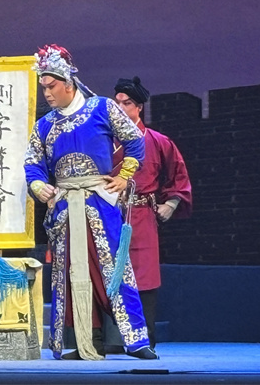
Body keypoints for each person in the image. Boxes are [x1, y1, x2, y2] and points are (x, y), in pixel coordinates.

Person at [23, 45, 157, 361]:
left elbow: (135, 140)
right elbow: (32, 162)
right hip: (63, 209)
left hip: (100, 203)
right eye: (43, 88)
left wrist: (124, 175)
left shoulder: (103, 108)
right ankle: (87, 341)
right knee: (68, 275)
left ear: (68, 83)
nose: (47, 94)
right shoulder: (44, 125)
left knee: (114, 269)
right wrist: (38, 185)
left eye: (51, 86)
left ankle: (135, 340)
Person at [111, 76, 193, 348]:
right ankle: (109, 339)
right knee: (107, 271)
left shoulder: (158, 141)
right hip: (108, 213)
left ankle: (145, 339)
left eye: (127, 103)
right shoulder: (103, 141)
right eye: (117, 103)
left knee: (144, 275)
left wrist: (171, 204)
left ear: (139, 107)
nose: (121, 108)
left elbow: (179, 174)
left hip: (142, 215)